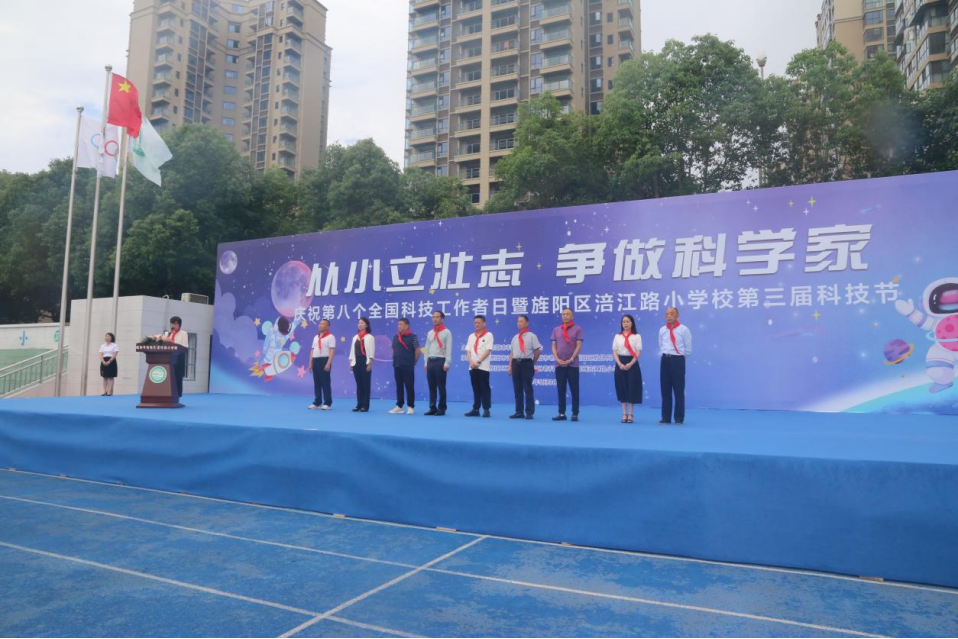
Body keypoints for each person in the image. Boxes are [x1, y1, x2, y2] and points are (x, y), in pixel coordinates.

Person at [659, 307, 692, 425]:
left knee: (678, 390)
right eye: (667, 314)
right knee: (665, 390)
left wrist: (679, 358)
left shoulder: (684, 329)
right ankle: (666, 417)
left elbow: (688, 348)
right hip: (665, 360)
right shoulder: (662, 330)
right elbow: (661, 345)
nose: (669, 316)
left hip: (678, 360)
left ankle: (679, 417)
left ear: (677, 315)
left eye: (671, 314)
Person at [551, 308, 583, 422]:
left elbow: (579, 346)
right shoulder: (556, 330)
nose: (565, 316)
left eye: (568, 314)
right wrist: (557, 359)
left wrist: (571, 359)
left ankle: (575, 413)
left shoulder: (577, 329)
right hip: (559, 364)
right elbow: (553, 346)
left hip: (573, 365)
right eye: (563, 314)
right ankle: (561, 413)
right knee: (561, 390)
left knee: (574, 389)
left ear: (572, 316)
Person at [508, 315, 541, 420]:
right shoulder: (515, 337)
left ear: (527, 323)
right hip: (515, 363)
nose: (519, 323)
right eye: (518, 321)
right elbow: (512, 353)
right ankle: (519, 412)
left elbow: (537, 351)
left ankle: (529, 412)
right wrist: (510, 365)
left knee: (527, 388)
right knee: (517, 388)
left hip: (526, 363)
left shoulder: (532, 336)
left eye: (521, 321)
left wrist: (532, 363)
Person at [613, 315, 643, 423]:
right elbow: (614, 351)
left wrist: (631, 363)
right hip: (620, 362)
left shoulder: (637, 336)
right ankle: (624, 413)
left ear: (632, 323)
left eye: (628, 321)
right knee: (621, 387)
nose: (625, 323)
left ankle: (630, 414)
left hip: (632, 362)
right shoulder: (617, 336)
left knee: (632, 387)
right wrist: (619, 364)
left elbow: (638, 351)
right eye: (624, 322)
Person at [424, 311, 452, 416]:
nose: (434, 319)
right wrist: (426, 362)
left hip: (440, 361)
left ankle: (442, 408)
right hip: (430, 361)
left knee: (441, 386)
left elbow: (448, 349)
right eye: (433, 317)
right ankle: (432, 407)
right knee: (431, 386)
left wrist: (447, 363)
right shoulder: (430, 333)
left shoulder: (447, 332)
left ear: (442, 319)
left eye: (437, 317)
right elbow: (427, 348)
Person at [465, 315, 494, 417]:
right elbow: (468, 351)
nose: (476, 324)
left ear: (484, 323)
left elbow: (488, 350)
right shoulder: (471, 336)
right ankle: (476, 409)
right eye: (475, 323)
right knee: (475, 388)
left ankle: (486, 409)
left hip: (483, 367)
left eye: (479, 322)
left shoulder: (489, 335)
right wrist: (471, 362)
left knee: (484, 388)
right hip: (472, 366)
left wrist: (478, 361)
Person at [389, 318, 420, 415]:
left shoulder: (413, 337)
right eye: (398, 324)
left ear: (407, 326)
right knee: (399, 386)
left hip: (408, 366)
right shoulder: (395, 337)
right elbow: (393, 349)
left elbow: (417, 350)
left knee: (409, 386)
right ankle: (399, 406)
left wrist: (413, 362)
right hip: (397, 365)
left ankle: (410, 406)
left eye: (401, 324)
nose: (399, 326)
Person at [308, 319, 336, 410]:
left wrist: (328, 363)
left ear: (328, 327)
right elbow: (312, 350)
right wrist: (310, 363)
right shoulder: (316, 337)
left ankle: (327, 403)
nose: (320, 325)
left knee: (325, 382)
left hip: (324, 360)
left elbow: (332, 351)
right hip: (315, 360)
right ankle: (317, 402)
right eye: (320, 324)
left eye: (323, 324)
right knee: (317, 383)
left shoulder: (331, 337)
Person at [349, 318, 375, 412]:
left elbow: (371, 352)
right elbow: (352, 351)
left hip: (365, 361)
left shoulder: (370, 337)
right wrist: (351, 363)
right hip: (356, 362)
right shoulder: (355, 337)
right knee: (359, 384)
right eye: (359, 323)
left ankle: (365, 405)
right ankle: (359, 404)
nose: (360, 325)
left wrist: (370, 364)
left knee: (365, 384)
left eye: (362, 323)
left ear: (366, 325)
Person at [161, 316, 189, 397]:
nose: (174, 325)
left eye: (176, 324)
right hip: (168, 357)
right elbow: (162, 343)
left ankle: (177, 394)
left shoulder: (184, 333)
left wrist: (174, 344)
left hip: (179, 357)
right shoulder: (167, 333)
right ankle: (166, 393)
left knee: (177, 376)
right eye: (172, 323)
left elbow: (185, 346)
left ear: (179, 324)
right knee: (167, 375)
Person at [99, 332, 119, 396]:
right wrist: (103, 361)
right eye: (106, 336)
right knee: (104, 377)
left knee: (110, 377)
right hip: (104, 360)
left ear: (111, 337)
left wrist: (109, 361)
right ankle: (104, 391)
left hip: (111, 361)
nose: (107, 337)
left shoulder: (114, 345)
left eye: (108, 336)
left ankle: (109, 391)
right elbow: (101, 354)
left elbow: (115, 354)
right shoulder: (102, 346)